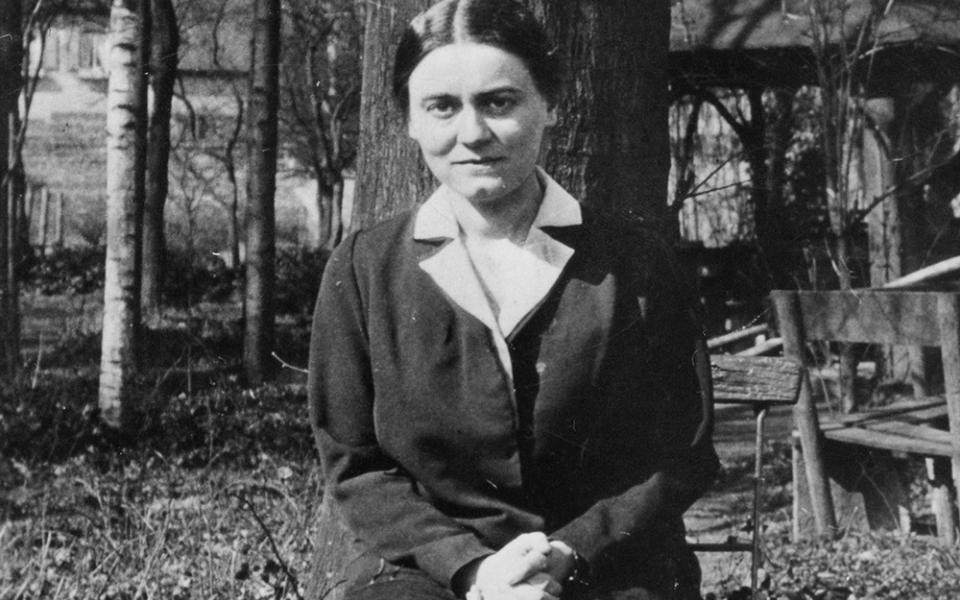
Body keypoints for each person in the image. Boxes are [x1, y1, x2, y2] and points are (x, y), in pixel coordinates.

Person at [308, 1, 719, 598]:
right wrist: (473, 570)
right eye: (442, 106)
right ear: (409, 122)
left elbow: (682, 450)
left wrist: (568, 552)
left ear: (549, 104)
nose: (472, 133)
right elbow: (356, 465)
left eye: (499, 102)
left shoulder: (634, 263)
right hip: (426, 570)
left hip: (610, 564)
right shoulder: (364, 269)